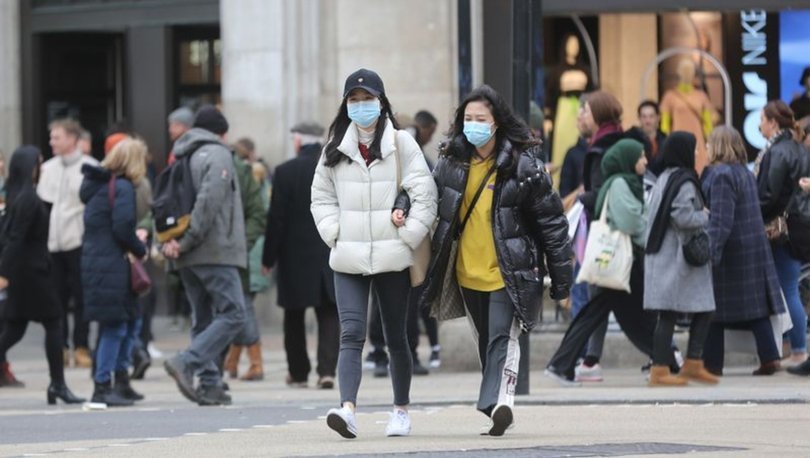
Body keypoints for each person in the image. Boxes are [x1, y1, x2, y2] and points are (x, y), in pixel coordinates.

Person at [419, 84, 571, 436]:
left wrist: (561, 277)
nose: (474, 125)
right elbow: (427, 198)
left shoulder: (524, 166)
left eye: (481, 119)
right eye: (468, 119)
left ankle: (501, 402)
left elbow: (552, 222)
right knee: (486, 340)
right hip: (466, 271)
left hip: (509, 270)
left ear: (497, 123)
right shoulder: (451, 162)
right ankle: (496, 402)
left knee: (502, 337)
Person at [311, 68, 437, 438]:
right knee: (351, 333)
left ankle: (400, 409)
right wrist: (334, 233)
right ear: (345, 104)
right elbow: (321, 197)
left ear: (382, 103)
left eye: (368, 99)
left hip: (392, 256)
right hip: (348, 256)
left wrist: (408, 238)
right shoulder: (335, 147)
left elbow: (424, 194)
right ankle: (347, 408)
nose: (361, 106)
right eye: (354, 99)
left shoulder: (402, 143)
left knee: (396, 336)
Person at [546, 139, 678, 385]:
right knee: (629, 318)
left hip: (621, 264)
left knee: (627, 317)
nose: (645, 161)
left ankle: (667, 361)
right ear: (627, 159)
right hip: (619, 262)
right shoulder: (619, 183)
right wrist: (649, 225)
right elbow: (630, 223)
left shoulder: (627, 182)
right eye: (640, 157)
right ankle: (668, 361)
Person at [162, 105, 247, 406]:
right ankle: (188, 361)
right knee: (235, 313)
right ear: (221, 133)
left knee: (204, 316)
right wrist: (187, 240)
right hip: (213, 249)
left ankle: (210, 384)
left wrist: (175, 243)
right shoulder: (217, 153)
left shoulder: (182, 153)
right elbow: (208, 203)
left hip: (186, 254)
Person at [0, 146, 84, 404]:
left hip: (26, 271)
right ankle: (57, 385)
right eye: (38, 164)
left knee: (15, 329)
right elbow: (15, 238)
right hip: (32, 273)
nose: (42, 168)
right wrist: (3, 272)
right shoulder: (26, 198)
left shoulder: (18, 196)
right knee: (53, 323)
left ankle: (57, 385)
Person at [701, 126, 785, 376]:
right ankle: (770, 357)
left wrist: (710, 252)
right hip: (751, 248)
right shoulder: (743, 173)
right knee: (755, 308)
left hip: (732, 252)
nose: (706, 148)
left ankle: (712, 364)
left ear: (717, 146)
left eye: (709, 143)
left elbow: (721, 220)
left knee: (712, 310)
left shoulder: (721, 175)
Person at [263, 121, 339, 389]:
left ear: (297, 141)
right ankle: (327, 370)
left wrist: (267, 259)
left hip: (293, 258)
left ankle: (298, 372)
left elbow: (276, 220)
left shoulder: (284, 172)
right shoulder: (333, 167)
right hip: (329, 251)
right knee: (329, 313)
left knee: (293, 318)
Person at [644, 132, 716, 386]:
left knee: (671, 313)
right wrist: (705, 215)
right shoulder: (684, 181)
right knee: (699, 309)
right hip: (678, 260)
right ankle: (666, 369)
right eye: (694, 149)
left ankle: (679, 366)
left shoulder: (664, 177)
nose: (697, 153)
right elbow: (684, 217)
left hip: (664, 258)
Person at [81, 138, 149, 406]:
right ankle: (102, 386)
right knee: (115, 326)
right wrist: (140, 247)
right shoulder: (121, 187)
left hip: (100, 264)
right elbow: (122, 228)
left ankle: (121, 381)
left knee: (129, 320)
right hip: (112, 265)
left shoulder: (98, 186)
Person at [37, 118, 98, 369]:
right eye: (51, 137)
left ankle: (82, 346)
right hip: (52, 244)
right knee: (56, 298)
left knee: (82, 297)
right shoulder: (47, 169)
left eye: (57, 137)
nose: (52, 142)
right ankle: (59, 346)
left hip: (79, 242)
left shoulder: (90, 167)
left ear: (72, 139)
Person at [755, 100, 807, 369]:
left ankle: (798, 349)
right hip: (796, 227)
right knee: (788, 287)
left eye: (762, 119)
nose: (759, 124)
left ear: (773, 122)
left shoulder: (776, 152)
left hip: (780, 230)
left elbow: (769, 194)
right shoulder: (797, 148)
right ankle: (792, 346)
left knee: (787, 288)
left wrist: (752, 211)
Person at [222, 133, 267, 382]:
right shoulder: (254, 177)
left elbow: (260, 216)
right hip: (251, 251)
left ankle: (254, 362)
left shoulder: (250, 178)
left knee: (243, 308)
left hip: (248, 254)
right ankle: (232, 362)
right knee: (239, 308)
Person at [558, 95, 591, 198]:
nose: (580, 122)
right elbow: (564, 193)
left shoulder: (604, 149)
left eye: (585, 113)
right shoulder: (572, 154)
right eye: (579, 119)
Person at [627, 100, 667, 176]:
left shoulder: (665, 140)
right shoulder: (631, 138)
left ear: (658, 117)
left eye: (651, 116)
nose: (647, 121)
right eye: (644, 117)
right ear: (639, 118)